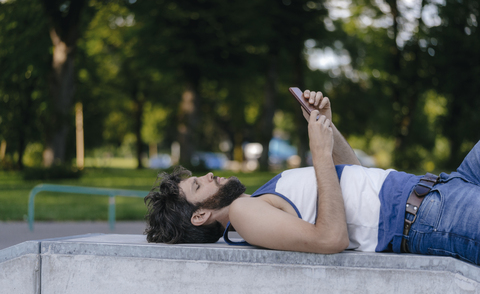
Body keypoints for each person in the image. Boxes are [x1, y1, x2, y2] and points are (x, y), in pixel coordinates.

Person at [144, 90, 480, 265]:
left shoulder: (257, 201)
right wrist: (318, 153)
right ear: (200, 215)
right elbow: (329, 239)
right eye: (199, 185)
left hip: (443, 188)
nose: (210, 175)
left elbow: (359, 180)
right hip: (431, 215)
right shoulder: (244, 215)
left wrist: (327, 128)